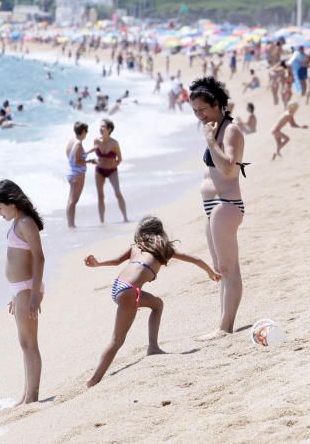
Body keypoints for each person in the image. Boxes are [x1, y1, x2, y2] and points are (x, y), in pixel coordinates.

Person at [83, 216, 220, 387]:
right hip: (130, 292)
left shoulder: (136, 247)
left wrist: (98, 264)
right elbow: (195, 259)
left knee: (157, 304)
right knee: (117, 340)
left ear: (140, 233)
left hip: (119, 287)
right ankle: (94, 380)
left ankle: (153, 347)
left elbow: (117, 261)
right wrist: (210, 273)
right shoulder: (164, 250)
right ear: (160, 232)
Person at [190, 76, 248, 339]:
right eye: (195, 111)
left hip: (226, 204)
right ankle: (222, 324)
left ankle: (225, 327)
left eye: (202, 109)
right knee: (219, 269)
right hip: (212, 206)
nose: (199, 115)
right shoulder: (215, 127)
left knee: (229, 268)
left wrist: (211, 141)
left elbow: (228, 170)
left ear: (216, 105)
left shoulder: (231, 130)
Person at [0, 179, 46, 406]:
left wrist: (32, 294)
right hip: (19, 290)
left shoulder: (25, 222)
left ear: (11, 202)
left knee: (30, 344)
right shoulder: (16, 222)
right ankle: (26, 394)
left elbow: (39, 257)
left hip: (27, 288)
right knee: (24, 344)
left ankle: (32, 396)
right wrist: (15, 295)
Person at [94, 118, 129, 224]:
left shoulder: (114, 143)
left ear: (109, 129)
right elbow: (95, 154)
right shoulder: (96, 141)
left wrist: (113, 165)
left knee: (118, 193)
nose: (101, 128)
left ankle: (125, 218)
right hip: (99, 171)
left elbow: (120, 158)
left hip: (112, 171)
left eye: (103, 126)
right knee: (100, 195)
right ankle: (102, 221)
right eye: (100, 126)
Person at [65, 122, 95, 228]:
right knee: (73, 201)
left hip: (71, 172)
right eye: (86, 131)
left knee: (70, 200)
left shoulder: (71, 141)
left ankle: (70, 224)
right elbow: (77, 160)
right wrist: (90, 161)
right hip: (78, 174)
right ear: (83, 131)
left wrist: (90, 151)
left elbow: (71, 156)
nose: (86, 134)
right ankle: (71, 225)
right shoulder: (78, 144)